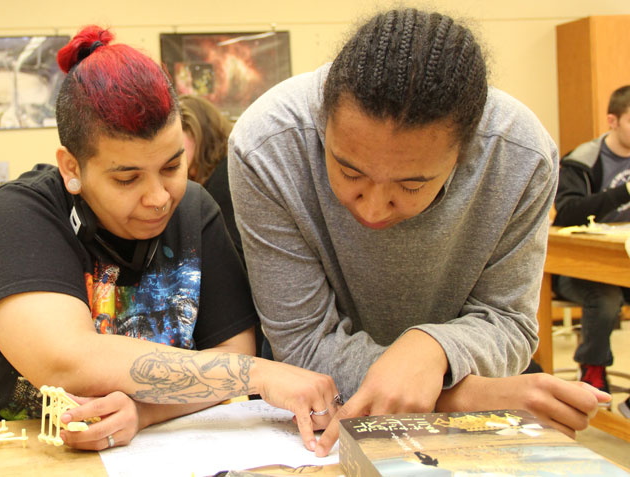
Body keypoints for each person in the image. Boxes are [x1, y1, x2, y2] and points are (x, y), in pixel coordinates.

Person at [0, 25, 340, 452]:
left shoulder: (195, 210)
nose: (160, 198)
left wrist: (142, 412)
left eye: (171, 166)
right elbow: (68, 361)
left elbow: (229, 345)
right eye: (127, 179)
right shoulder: (16, 217)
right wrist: (260, 374)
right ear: (72, 168)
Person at [227, 8, 611, 456]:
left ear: (466, 152)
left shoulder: (519, 155)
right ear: (322, 123)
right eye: (348, 171)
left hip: (465, 427)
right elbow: (303, 343)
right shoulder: (269, 144)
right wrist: (464, 397)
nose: (373, 207)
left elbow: (510, 321)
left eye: (412, 184)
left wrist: (432, 349)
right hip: (322, 422)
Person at [553, 84, 630, 417]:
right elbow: (567, 212)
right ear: (612, 121)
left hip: (624, 263)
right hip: (576, 270)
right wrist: (623, 192)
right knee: (606, 296)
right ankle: (593, 372)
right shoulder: (582, 159)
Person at [179, 94, 243, 260]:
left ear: (200, 134)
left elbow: (231, 256)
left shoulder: (224, 179)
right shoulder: (213, 176)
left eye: (180, 132)